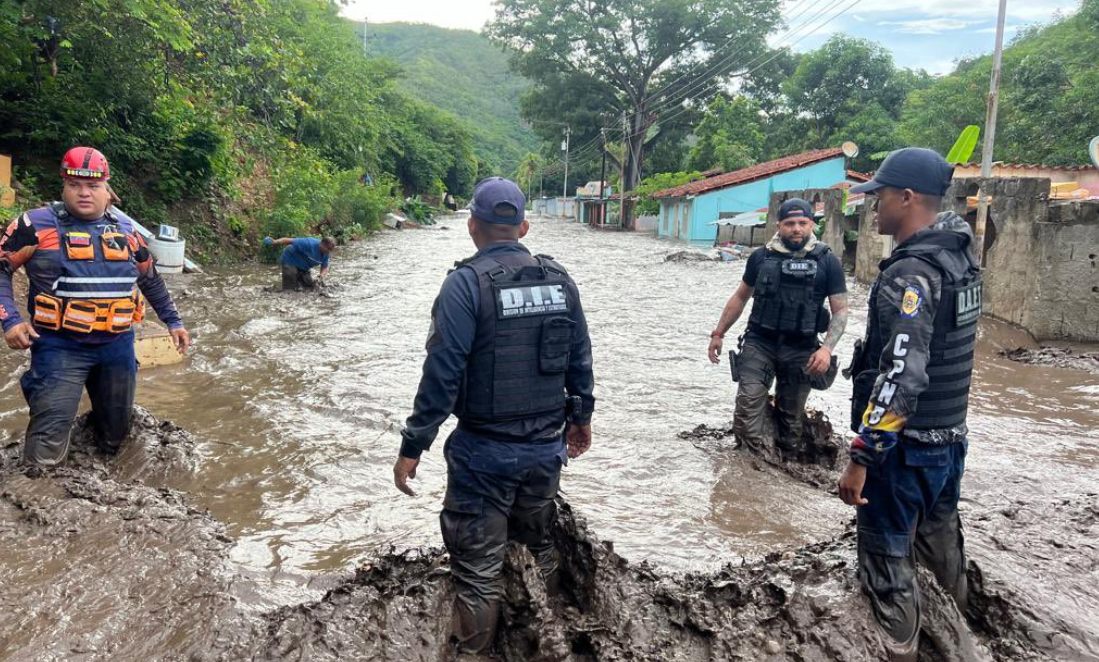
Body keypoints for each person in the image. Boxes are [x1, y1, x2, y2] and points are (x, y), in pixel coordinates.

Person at [393, 177, 595, 656]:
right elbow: (580, 355)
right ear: (522, 227)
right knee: (537, 542)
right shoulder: (559, 280)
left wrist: (412, 446)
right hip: (547, 448)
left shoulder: (464, 285)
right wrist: (581, 418)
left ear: (472, 227)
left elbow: (442, 375)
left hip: (484, 452)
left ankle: (476, 653)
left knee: (479, 571)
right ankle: (544, 633)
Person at [839, 148, 980, 661]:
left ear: (907, 197)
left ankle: (899, 649)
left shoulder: (912, 273)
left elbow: (903, 373)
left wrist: (863, 455)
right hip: (949, 441)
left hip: (905, 451)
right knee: (942, 552)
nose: (873, 208)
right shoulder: (961, 256)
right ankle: (954, 645)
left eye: (878, 197)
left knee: (886, 566)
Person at [0, 147, 191, 467]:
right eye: (75, 184)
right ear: (63, 185)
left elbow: (151, 279)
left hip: (117, 346)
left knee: (115, 435)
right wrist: (10, 320)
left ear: (107, 188)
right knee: (45, 444)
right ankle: (36, 489)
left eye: (93, 185)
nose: (84, 193)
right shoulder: (33, 225)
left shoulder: (128, 231)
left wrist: (174, 321)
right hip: (59, 347)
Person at [707, 198, 849, 456]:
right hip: (760, 343)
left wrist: (826, 349)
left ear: (811, 225)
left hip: (802, 350)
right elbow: (740, 297)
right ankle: (748, 472)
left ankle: (785, 470)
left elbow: (840, 310)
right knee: (747, 409)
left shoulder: (828, 262)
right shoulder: (761, 258)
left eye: (803, 223)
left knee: (790, 422)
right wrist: (719, 333)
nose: (797, 229)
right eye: (790, 223)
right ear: (778, 225)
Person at [263, 235, 335, 290]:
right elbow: (289, 240)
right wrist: (274, 242)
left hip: (303, 267)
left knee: (310, 287)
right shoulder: (308, 243)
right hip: (290, 259)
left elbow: (324, 267)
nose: (328, 251)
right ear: (321, 243)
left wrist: (321, 276)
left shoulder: (326, 253)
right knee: (289, 289)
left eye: (330, 250)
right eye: (327, 248)